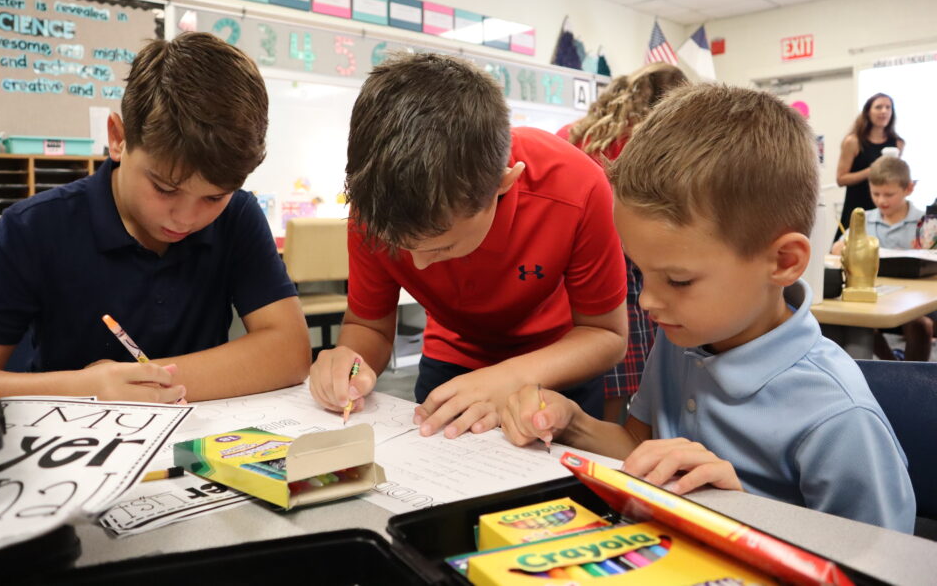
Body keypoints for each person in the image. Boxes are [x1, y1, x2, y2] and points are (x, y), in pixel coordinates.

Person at [500, 83, 916, 533]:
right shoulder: (683, 337)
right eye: (640, 272)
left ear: (783, 262)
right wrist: (571, 422)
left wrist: (743, 513)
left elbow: (880, 560)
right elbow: (638, 445)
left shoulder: (839, 417)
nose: (647, 301)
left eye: (678, 280)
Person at [0, 32, 311, 402]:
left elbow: (290, 352)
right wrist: (84, 388)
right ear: (118, 138)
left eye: (213, 197)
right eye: (165, 188)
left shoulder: (237, 216)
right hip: (71, 430)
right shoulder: (32, 228)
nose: (185, 219)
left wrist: (138, 385)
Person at [309, 53, 628, 438]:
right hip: (452, 363)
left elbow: (606, 335)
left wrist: (511, 377)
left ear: (503, 185)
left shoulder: (576, 188)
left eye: (442, 247)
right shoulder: (375, 208)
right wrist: (350, 365)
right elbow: (369, 327)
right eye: (398, 245)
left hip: (557, 366)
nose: (419, 265)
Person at [557, 62, 687, 423]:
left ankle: (602, 431)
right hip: (626, 259)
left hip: (571, 263)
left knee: (600, 366)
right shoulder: (649, 139)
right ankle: (629, 433)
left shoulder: (576, 132)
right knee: (632, 363)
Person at [832, 156, 933, 361]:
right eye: (875, 193)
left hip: (915, 298)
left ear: (909, 189)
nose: (881, 201)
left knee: (920, 325)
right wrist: (842, 247)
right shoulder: (865, 219)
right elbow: (837, 249)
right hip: (877, 294)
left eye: (889, 194)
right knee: (860, 322)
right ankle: (891, 363)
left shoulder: (925, 222)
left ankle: (910, 372)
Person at [835, 93, 903, 240]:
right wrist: (873, 170)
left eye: (888, 107)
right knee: (848, 248)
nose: (884, 111)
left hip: (884, 207)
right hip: (857, 205)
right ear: (868, 112)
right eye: (878, 107)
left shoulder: (898, 143)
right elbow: (841, 179)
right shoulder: (853, 142)